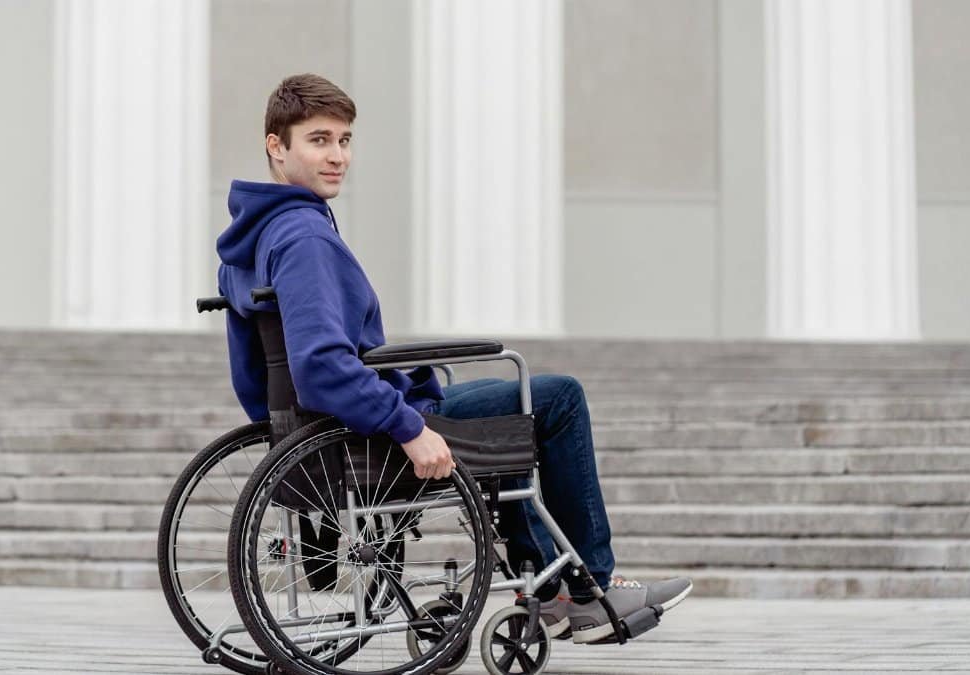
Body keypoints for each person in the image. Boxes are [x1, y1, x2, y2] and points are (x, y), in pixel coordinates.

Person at [216, 73, 691, 643]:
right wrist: (407, 426)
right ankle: (587, 592)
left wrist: (284, 438)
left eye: (345, 141)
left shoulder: (252, 238)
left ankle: (550, 588)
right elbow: (319, 366)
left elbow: (254, 379)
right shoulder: (304, 238)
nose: (338, 155)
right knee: (556, 398)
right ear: (277, 145)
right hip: (368, 432)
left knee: (510, 410)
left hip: (330, 432)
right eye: (319, 140)